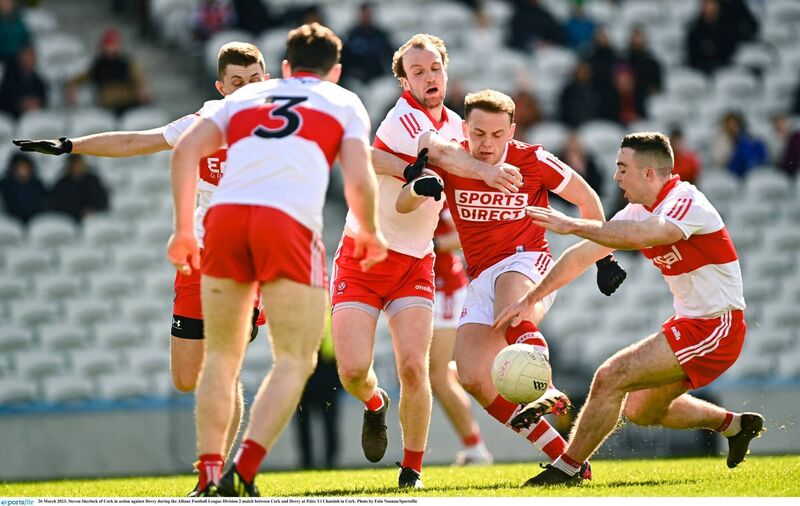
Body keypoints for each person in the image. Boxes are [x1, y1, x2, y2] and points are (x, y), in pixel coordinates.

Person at [13, 42, 269, 493]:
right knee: (187, 376)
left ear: (266, 80)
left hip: (246, 261)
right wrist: (72, 145)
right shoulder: (202, 123)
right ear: (220, 87)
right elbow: (136, 140)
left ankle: (215, 477)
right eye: (236, 83)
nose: (247, 89)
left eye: (254, 81)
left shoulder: (281, 126)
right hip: (198, 260)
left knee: (223, 368)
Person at [167, 23, 387, 497]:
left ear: (284, 68)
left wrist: (185, 229)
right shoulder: (342, 100)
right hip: (286, 222)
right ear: (335, 72)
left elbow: (185, 150)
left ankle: (207, 476)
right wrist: (368, 229)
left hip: (222, 222)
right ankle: (242, 471)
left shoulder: (246, 98)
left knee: (220, 359)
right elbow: (359, 174)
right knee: (294, 358)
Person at [495, 131, 765, 486]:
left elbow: (644, 236)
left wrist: (573, 224)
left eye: (623, 168)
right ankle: (735, 425)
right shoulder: (639, 209)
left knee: (610, 376)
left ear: (649, 174)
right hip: (692, 323)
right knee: (640, 409)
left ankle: (569, 467)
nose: (616, 177)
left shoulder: (686, 200)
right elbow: (583, 254)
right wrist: (530, 298)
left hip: (718, 326)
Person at [396, 89, 625, 482]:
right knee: (470, 376)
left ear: (512, 130)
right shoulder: (454, 160)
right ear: (465, 128)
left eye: (497, 134)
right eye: (479, 133)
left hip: (526, 262)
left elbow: (587, 199)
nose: (487, 144)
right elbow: (402, 202)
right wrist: (418, 190)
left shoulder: (532, 158)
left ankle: (545, 385)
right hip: (479, 274)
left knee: (510, 305)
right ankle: (569, 462)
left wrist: (604, 257)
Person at [331, 33, 522, 489]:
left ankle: (411, 470)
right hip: (364, 255)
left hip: (414, 263)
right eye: (417, 71)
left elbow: (463, 165)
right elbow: (423, 171)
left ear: (446, 70)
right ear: (403, 81)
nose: (428, 77)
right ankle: (375, 404)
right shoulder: (402, 122)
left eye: (434, 68)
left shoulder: (459, 123)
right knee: (354, 372)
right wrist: (429, 185)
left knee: (417, 368)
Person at [430, 204, 493, 466]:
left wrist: (431, 244)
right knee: (438, 373)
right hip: (421, 285)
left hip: (443, 287)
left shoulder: (436, 189)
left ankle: (475, 448)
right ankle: (473, 448)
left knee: (436, 374)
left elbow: (467, 233)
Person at [293, 310, 342, 470]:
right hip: (306, 372)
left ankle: (329, 461)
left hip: (324, 370)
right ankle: (307, 461)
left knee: (328, 421)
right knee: (305, 421)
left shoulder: (326, 309)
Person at [66, 29, 151, 115]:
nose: (110, 47)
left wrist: (142, 90)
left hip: (128, 103)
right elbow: (81, 78)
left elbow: (140, 82)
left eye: (113, 44)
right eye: (108, 45)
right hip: (107, 107)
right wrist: (72, 85)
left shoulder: (127, 63)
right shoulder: (98, 65)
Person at [340, 2, 394, 86]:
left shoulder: (381, 35)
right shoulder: (351, 35)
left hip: (378, 80)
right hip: (356, 81)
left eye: (368, 13)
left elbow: (391, 55)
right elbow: (344, 59)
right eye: (363, 14)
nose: (365, 16)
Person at [48, 154, 110, 221]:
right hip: (68, 220)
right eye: (73, 164)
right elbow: (56, 205)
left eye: (78, 164)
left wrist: (92, 210)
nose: (76, 167)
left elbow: (103, 200)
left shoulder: (93, 181)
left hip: (92, 218)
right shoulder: (61, 183)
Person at [0, 45, 48, 119]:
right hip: (13, 119)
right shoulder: (9, 77)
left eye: (32, 55)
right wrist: (21, 105)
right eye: (27, 55)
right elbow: (5, 101)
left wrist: (37, 103)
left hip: (35, 118)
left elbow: (43, 101)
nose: (31, 58)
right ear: (20, 57)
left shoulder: (39, 81)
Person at [0, 153, 47, 224]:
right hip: (11, 221)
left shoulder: (37, 184)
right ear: (13, 168)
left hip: (36, 220)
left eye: (26, 167)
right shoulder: (5, 184)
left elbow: (43, 204)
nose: (23, 170)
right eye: (20, 167)